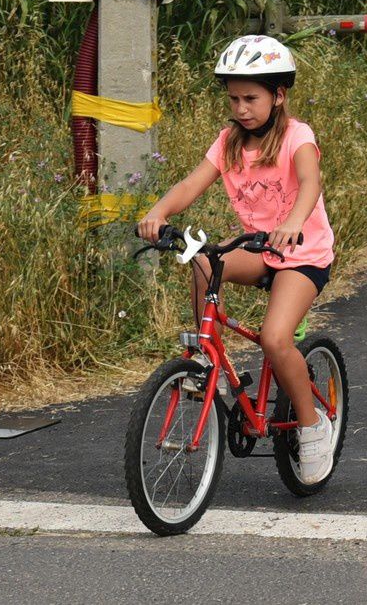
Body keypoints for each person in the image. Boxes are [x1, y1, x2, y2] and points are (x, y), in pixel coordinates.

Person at [137, 36, 337, 483]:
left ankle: (312, 426)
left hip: (302, 252)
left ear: (278, 95)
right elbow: (192, 184)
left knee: (274, 338)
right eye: (234, 98)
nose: (242, 107)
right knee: (204, 260)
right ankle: (206, 360)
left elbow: (309, 182)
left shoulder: (296, 136)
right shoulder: (228, 141)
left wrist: (294, 221)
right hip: (257, 248)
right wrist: (158, 212)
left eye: (251, 98)